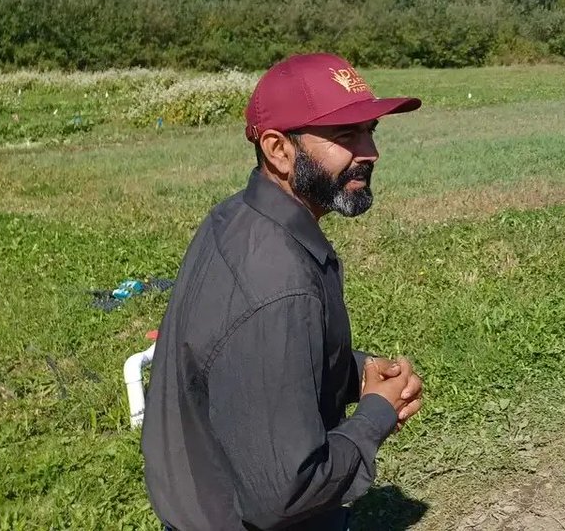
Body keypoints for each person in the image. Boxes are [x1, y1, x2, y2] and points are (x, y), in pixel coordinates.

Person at [142, 53, 424, 531]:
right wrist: (377, 413)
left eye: (370, 129)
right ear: (278, 149)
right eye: (345, 135)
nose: (370, 151)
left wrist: (351, 372)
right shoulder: (279, 284)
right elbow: (288, 495)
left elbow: (241, 362)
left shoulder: (236, 217)